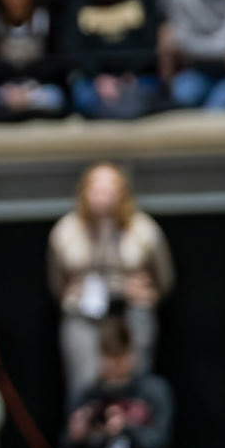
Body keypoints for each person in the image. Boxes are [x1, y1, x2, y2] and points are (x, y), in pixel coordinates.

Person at [41, 316, 190, 448]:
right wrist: (78, 436)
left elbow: (159, 444)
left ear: (132, 354)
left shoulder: (153, 390)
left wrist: (126, 429)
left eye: (120, 356)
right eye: (110, 357)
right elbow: (66, 447)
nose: (115, 365)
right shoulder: (88, 393)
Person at [47, 163, 174, 401]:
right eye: (96, 186)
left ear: (122, 191)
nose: (103, 193)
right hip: (84, 314)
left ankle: (132, 431)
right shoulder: (66, 230)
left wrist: (150, 294)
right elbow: (57, 282)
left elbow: (164, 278)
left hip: (131, 310)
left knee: (134, 385)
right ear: (84, 191)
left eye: (110, 187)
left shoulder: (143, 228)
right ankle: (85, 433)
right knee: (84, 385)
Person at [61, 0, 163, 120]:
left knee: (145, 97)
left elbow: (151, 42)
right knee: (84, 98)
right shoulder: (76, 2)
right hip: (92, 80)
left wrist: (128, 75)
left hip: (137, 77)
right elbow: (72, 48)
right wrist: (99, 78)